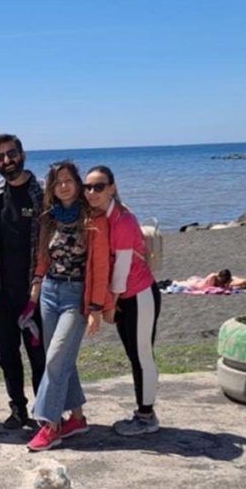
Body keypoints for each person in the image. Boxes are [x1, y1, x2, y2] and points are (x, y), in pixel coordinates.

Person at [26, 161, 113, 452]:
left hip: (76, 296)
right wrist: (37, 283)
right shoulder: (48, 217)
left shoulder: (93, 219)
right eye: (57, 182)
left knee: (54, 360)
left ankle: (50, 424)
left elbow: (100, 266)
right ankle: (76, 417)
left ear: (77, 184)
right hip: (50, 291)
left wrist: (96, 308)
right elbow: (43, 254)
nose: (63, 186)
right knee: (62, 360)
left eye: (68, 181)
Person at [85, 165, 161, 435]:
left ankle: (146, 415)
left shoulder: (123, 220)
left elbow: (122, 268)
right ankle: (143, 411)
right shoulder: (100, 217)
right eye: (89, 187)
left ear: (112, 188)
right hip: (124, 298)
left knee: (142, 355)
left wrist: (109, 305)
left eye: (99, 186)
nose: (92, 192)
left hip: (139, 295)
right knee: (134, 354)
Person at [0, 134, 46, 430]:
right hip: (1, 293)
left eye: (11, 154)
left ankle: (45, 411)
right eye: (0, 157)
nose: (7, 161)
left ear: (23, 154)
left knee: (39, 355)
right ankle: (18, 410)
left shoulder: (43, 194)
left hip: (35, 294)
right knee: (7, 356)